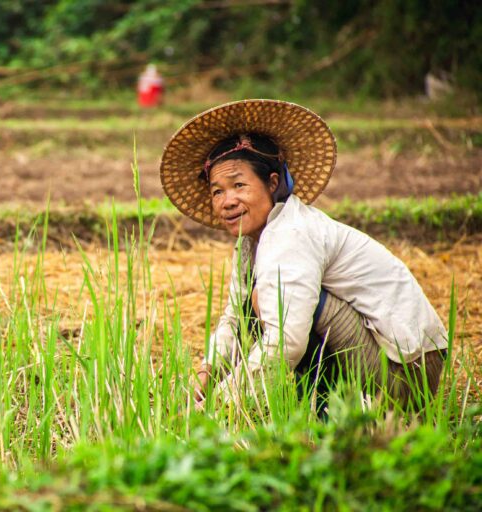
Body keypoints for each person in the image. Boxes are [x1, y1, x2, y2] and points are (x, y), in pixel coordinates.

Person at [159, 99, 448, 411]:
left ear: (272, 184)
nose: (227, 200)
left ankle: (332, 412)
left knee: (271, 301)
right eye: (217, 191)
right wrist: (205, 377)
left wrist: (224, 404)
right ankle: (321, 409)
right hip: (380, 355)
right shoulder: (250, 244)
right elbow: (236, 319)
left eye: (239, 185)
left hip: (408, 374)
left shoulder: (291, 235)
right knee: (257, 302)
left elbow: (287, 342)